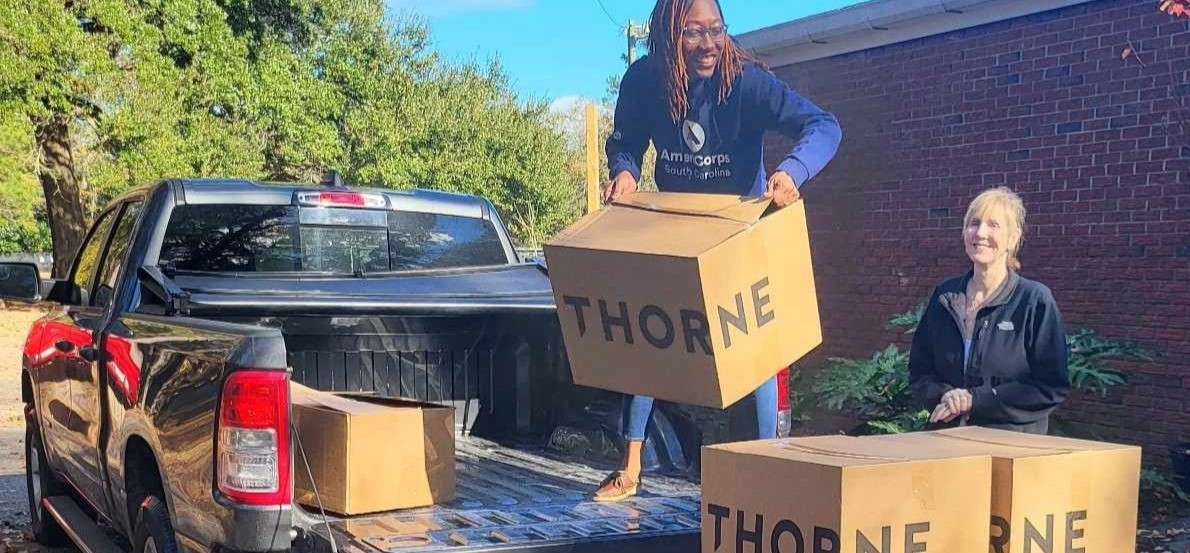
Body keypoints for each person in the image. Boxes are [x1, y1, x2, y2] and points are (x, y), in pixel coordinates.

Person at [593, 0, 842, 502]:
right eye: (692, 34)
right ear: (667, 36)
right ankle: (630, 465)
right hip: (677, 226)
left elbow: (824, 126)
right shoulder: (644, 81)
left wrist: (792, 172)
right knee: (648, 335)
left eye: (717, 30)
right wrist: (625, 171)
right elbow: (625, 142)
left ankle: (767, 470)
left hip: (738, 226)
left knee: (755, 348)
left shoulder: (746, 81)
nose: (708, 45)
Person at [909, 187, 1070, 435]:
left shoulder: (1034, 300)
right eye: (974, 223)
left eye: (993, 225)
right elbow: (920, 373)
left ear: (1013, 238)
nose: (980, 233)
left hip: (1010, 451)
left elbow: (1050, 386)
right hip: (946, 445)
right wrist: (945, 395)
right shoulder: (945, 297)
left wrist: (977, 400)